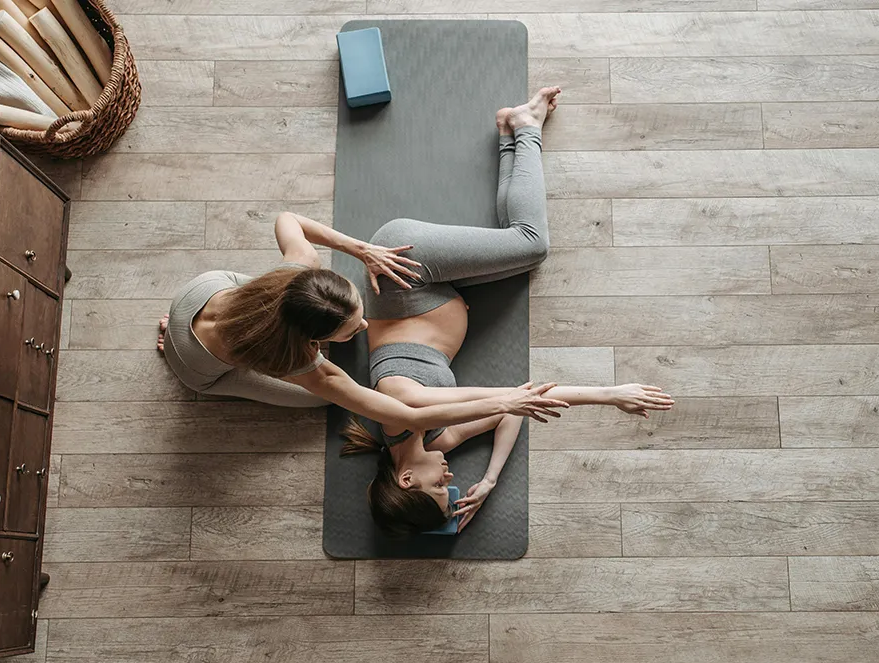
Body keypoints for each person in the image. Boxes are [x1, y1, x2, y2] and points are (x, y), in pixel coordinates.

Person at [340, 86, 675, 535]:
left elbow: (515, 396)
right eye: (451, 491)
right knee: (527, 254)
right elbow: (507, 412)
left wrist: (612, 395)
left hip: (405, 265)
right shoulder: (437, 437)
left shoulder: (401, 410)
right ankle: (509, 130)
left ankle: (527, 127)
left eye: (439, 489)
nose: (450, 480)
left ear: (406, 479)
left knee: (531, 242)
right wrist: (491, 479)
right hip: (439, 290)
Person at [154, 196, 568, 430]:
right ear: (307, 343)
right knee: (320, 404)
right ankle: (178, 351)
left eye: (357, 314)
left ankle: (179, 337)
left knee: (254, 302)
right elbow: (406, 414)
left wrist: (361, 250)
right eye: (352, 329)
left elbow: (288, 218)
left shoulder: (297, 269)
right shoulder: (301, 364)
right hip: (201, 369)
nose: (367, 325)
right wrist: (504, 404)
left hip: (200, 297)